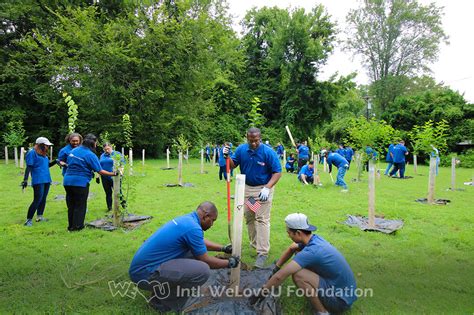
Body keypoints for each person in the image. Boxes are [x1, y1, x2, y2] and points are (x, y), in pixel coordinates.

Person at [129, 201, 239, 312]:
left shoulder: (188, 220)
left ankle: (161, 292)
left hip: (142, 269)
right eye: (212, 221)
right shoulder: (192, 228)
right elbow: (206, 260)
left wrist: (223, 248)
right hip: (144, 275)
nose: (212, 225)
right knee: (203, 270)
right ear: (206, 216)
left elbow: (199, 242)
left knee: (193, 253)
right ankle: (164, 302)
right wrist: (229, 263)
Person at [249, 213, 357, 314]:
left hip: (340, 301)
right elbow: (292, 248)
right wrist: (276, 267)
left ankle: (322, 312)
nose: (288, 236)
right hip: (345, 293)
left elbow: (280, 277)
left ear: (298, 233)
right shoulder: (315, 240)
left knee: (298, 275)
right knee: (297, 252)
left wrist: (261, 293)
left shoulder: (311, 252)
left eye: (289, 233)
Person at [225, 127, 282, 268]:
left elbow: (277, 172)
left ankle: (262, 252)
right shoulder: (241, 150)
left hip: (263, 189)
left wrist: (267, 187)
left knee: (262, 218)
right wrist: (226, 157)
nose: (254, 143)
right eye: (251, 141)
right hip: (247, 190)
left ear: (260, 139)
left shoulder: (268, 152)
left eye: (256, 141)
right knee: (250, 215)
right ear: (247, 138)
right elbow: (232, 165)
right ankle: (255, 243)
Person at [63, 134, 116, 231]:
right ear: (93, 144)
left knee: (71, 205)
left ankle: (71, 226)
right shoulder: (90, 155)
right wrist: (113, 174)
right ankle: (78, 227)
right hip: (80, 182)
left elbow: (68, 163)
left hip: (67, 181)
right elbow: (100, 171)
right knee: (80, 205)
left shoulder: (73, 151)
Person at [22, 137, 56, 226]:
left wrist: (56, 161)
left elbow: (47, 165)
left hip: (46, 179)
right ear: (40, 145)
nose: (47, 147)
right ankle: (28, 220)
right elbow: (29, 167)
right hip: (38, 180)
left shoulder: (44, 154)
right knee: (37, 199)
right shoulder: (32, 153)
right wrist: (25, 180)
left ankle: (39, 217)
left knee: (43, 199)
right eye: (46, 145)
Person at [99, 143, 125, 211]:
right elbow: (100, 166)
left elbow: (122, 164)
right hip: (104, 177)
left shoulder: (117, 154)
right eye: (105, 149)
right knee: (108, 193)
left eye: (108, 149)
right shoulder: (102, 155)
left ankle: (124, 206)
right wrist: (97, 176)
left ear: (111, 147)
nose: (107, 150)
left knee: (118, 192)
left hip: (115, 177)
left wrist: (121, 173)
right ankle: (109, 208)